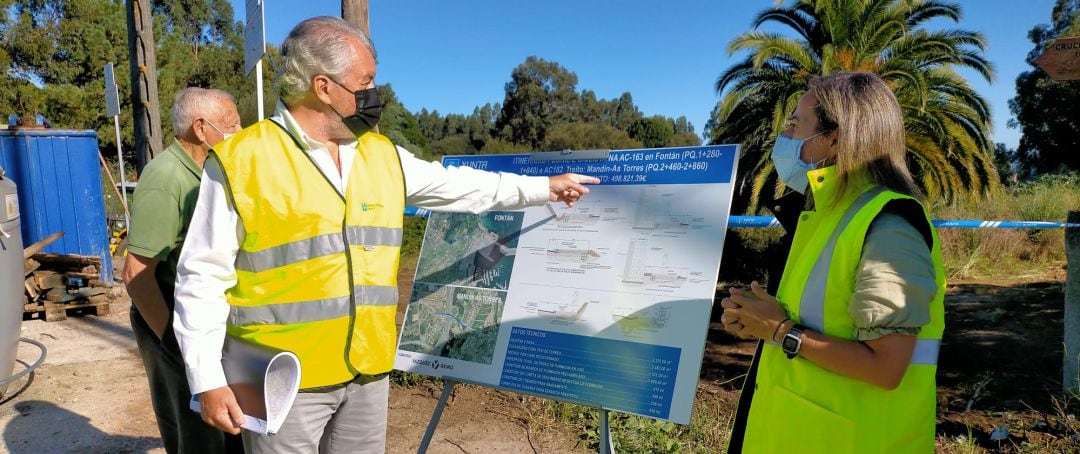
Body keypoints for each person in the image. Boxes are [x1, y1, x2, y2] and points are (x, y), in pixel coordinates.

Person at [172, 16, 599, 453]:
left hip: (368, 374)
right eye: (366, 81)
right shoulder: (243, 160)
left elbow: (464, 187)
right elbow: (201, 277)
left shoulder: (381, 155)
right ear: (323, 87)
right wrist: (206, 378)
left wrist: (543, 188)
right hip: (282, 382)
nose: (375, 93)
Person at [720, 71, 945, 453]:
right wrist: (758, 320)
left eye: (794, 124)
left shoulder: (888, 225)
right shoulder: (823, 216)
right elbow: (812, 319)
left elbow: (885, 367)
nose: (783, 138)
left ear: (836, 137)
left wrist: (779, 330)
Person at [122, 87, 244, 454]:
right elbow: (137, 275)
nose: (241, 129)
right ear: (202, 128)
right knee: (195, 434)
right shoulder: (167, 178)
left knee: (225, 425)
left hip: (198, 322)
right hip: (168, 322)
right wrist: (176, 346)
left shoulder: (207, 171)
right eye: (232, 124)